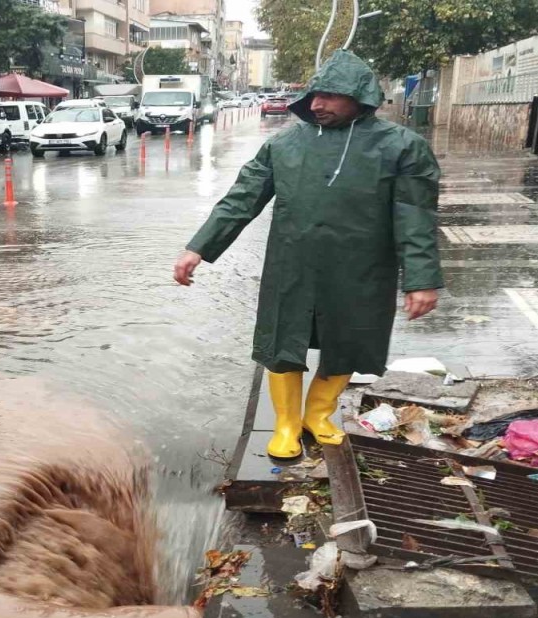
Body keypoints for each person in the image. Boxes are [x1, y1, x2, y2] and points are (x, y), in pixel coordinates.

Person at [172, 49, 443, 460]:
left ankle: (318, 415)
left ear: (360, 97)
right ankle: (285, 424)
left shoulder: (402, 147)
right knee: (283, 341)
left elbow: (416, 217)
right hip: (292, 264)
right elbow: (241, 199)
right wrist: (198, 248)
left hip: (363, 268)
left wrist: (422, 279)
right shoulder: (285, 144)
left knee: (348, 340)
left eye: (330, 95)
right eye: (314, 95)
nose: (316, 104)